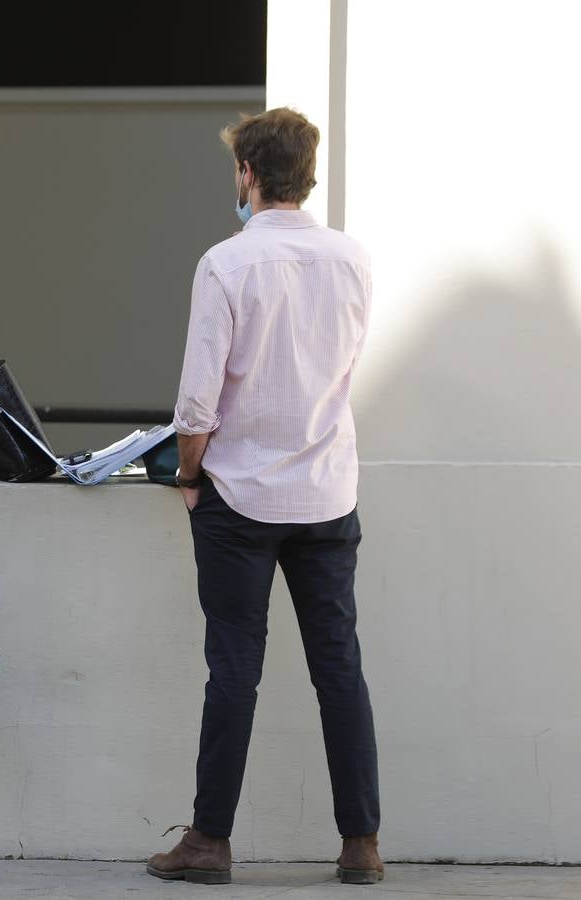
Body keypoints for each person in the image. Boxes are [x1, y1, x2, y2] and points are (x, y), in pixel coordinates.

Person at [146, 108, 382, 885]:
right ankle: (360, 847)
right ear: (307, 172)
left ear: (246, 174)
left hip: (238, 499)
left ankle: (208, 843)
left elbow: (197, 402)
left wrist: (186, 475)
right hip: (325, 492)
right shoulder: (351, 260)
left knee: (234, 670)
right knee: (338, 669)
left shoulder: (225, 263)